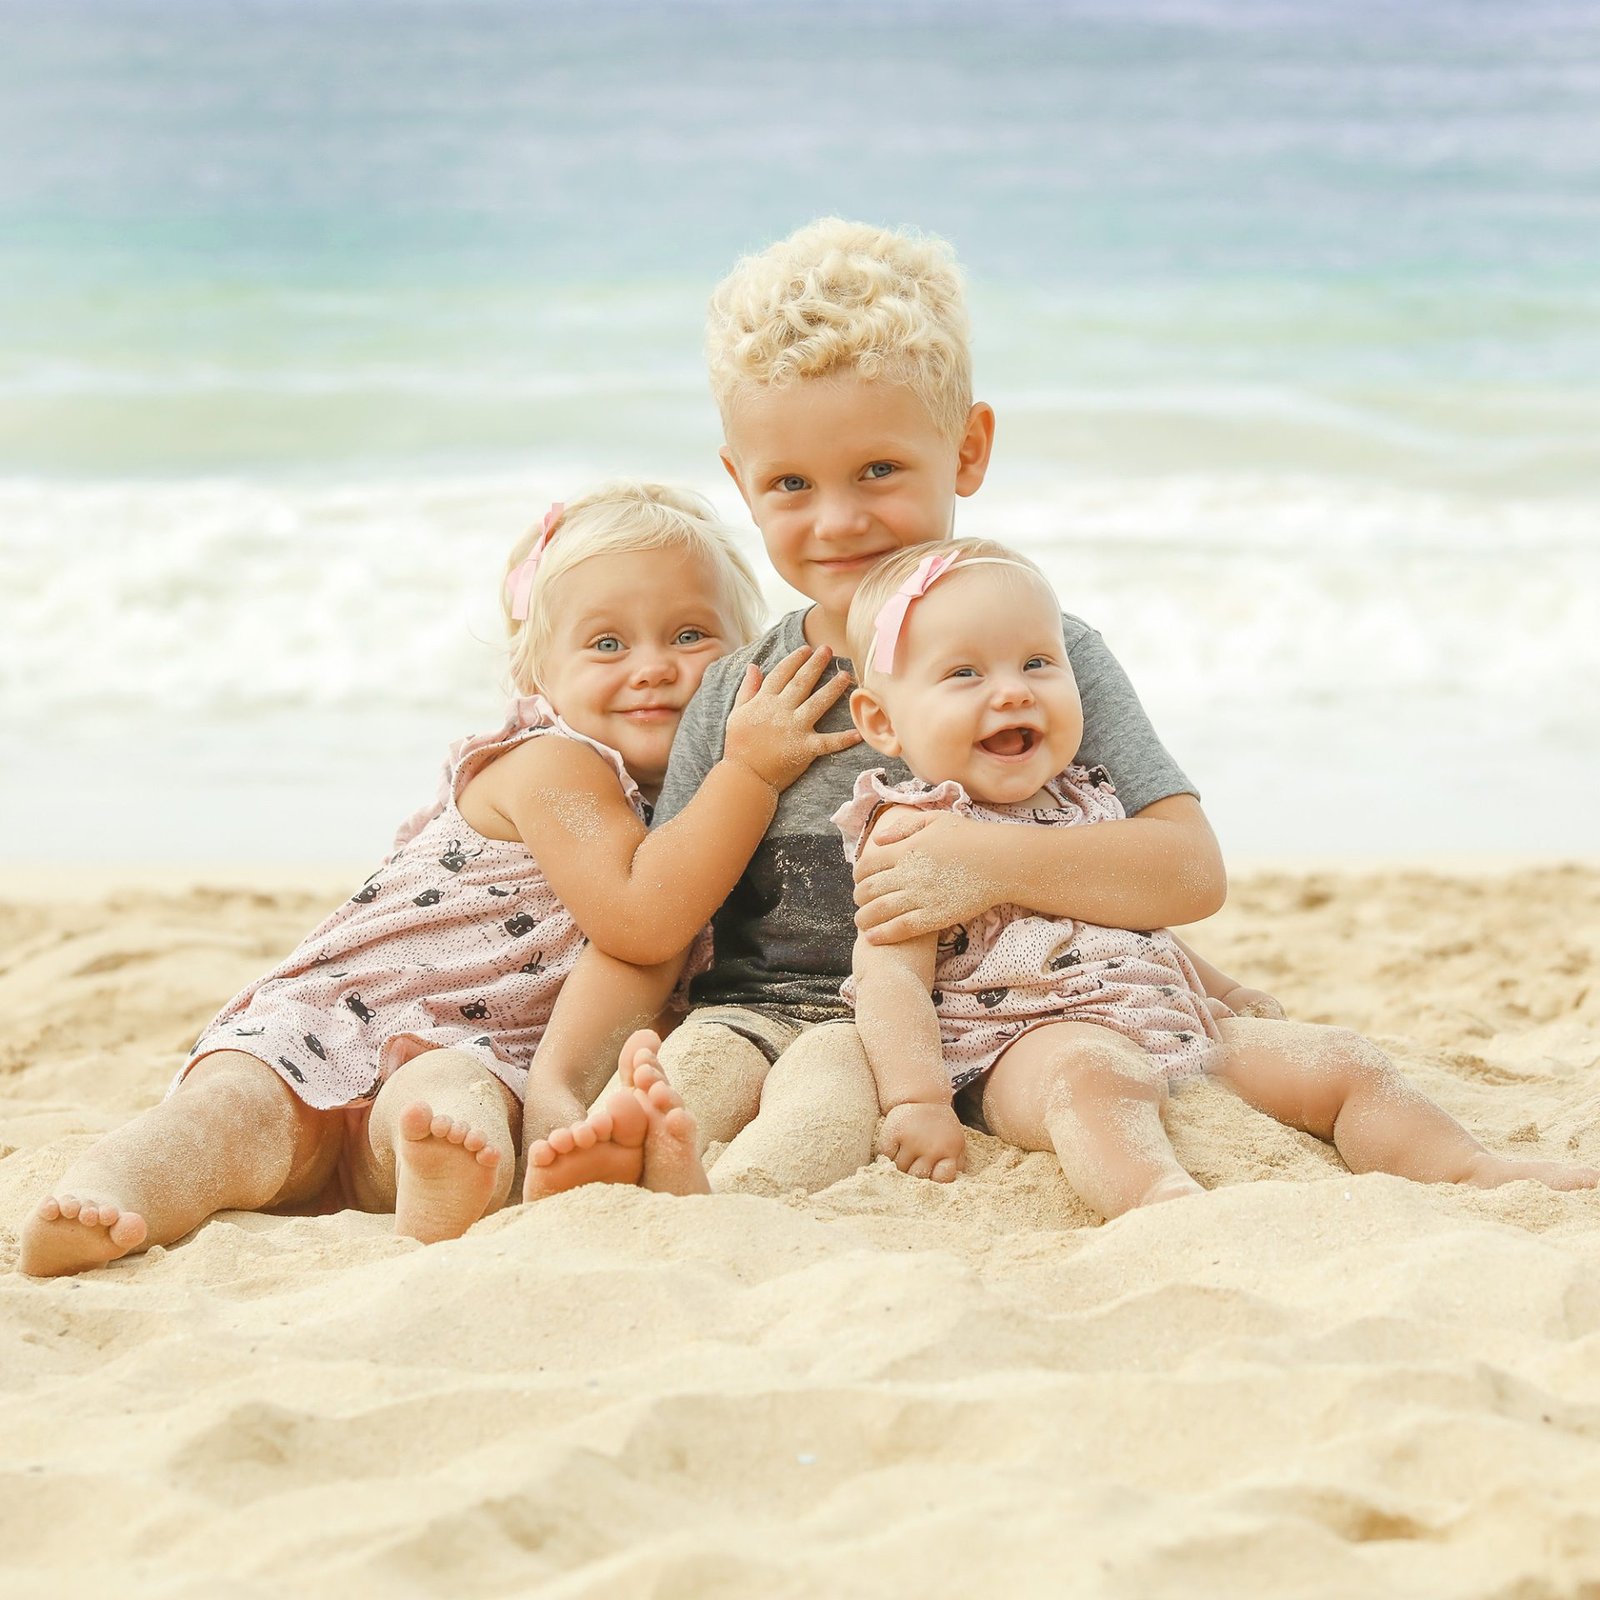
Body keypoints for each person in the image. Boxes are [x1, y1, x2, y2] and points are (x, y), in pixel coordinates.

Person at [522, 218, 1272, 1201]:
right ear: (740, 482)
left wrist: (985, 863)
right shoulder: (740, 691)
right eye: (790, 483)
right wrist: (562, 1076)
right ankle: (623, 1170)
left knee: (829, 1094)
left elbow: (1186, 869)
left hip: (997, 1023)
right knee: (701, 1066)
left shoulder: (1039, 656)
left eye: (878, 470)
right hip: (763, 1008)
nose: (838, 519)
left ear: (967, 449)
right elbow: (658, 924)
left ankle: (724, 1200)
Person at [19, 483, 855, 1276]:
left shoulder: (680, 816)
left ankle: (433, 1190)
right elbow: (639, 921)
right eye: (606, 643)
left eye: (689, 636)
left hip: (477, 1054)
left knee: (447, 1107)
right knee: (226, 1120)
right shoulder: (553, 764)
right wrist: (747, 771)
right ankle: (104, 1195)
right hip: (336, 1018)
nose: (652, 667)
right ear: (536, 676)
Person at [830, 540, 1599, 1210]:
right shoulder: (911, 829)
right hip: (1023, 1046)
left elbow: (1130, 923)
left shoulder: (1088, 801)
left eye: (1038, 662)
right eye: (964, 673)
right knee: (1094, 1079)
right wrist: (916, 1098)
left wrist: (1222, 992)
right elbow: (890, 973)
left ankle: (1466, 1167)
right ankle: (1158, 1198)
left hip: (1175, 1025)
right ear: (883, 722)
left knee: (1343, 1060)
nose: (1012, 690)